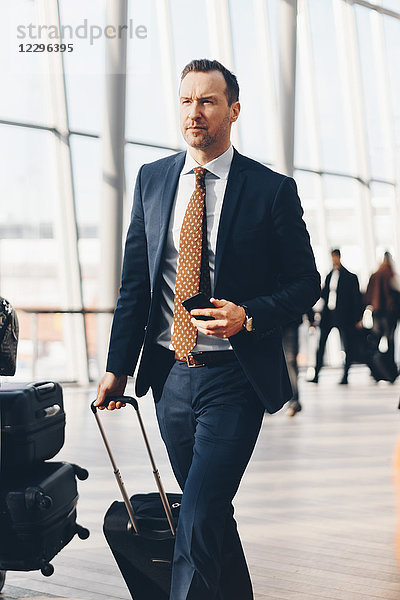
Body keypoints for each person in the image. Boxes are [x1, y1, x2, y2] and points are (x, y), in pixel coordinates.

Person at [95, 59, 320, 600]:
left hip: (233, 378)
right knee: (208, 512)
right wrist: (115, 368)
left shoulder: (270, 190)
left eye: (208, 101)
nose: (194, 112)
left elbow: (306, 283)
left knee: (195, 517)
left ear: (233, 110)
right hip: (171, 379)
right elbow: (135, 286)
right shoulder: (153, 180)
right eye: (186, 100)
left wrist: (250, 314)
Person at [310, 249, 363, 385]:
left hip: (344, 317)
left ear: (339, 257)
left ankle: (345, 376)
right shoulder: (329, 276)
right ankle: (316, 374)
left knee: (347, 345)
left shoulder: (350, 277)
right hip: (329, 315)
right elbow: (324, 296)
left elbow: (356, 299)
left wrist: (358, 318)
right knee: (321, 345)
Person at [364, 252, 400, 379]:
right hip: (388, 314)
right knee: (390, 342)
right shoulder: (390, 274)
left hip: (376, 313)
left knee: (375, 342)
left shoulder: (375, 275)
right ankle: (390, 371)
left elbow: (367, 296)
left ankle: (377, 371)